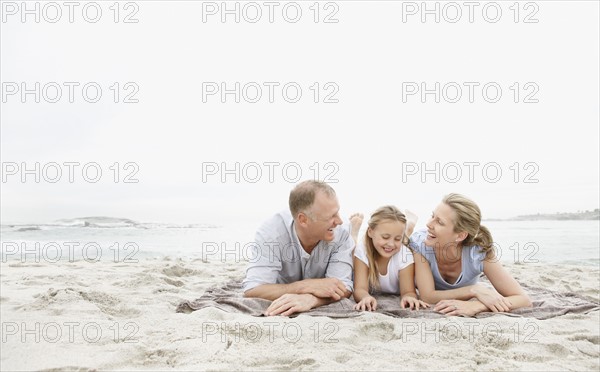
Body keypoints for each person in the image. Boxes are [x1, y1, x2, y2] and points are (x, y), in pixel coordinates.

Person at [242, 180, 355, 316]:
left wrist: (312, 299)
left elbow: (344, 287)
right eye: (331, 216)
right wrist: (305, 286)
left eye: (337, 212)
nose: (339, 221)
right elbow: (252, 290)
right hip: (283, 285)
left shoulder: (342, 232)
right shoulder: (271, 234)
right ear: (303, 220)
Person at [410, 193, 533, 316]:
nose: (428, 224)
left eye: (440, 222)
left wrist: (478, 306)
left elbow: (523, 299)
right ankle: (407, 229)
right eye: (432, 216)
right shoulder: (421, 244)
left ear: (460, 235)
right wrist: (473, 290)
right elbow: (427, 296)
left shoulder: (478, 253)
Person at [352, 206, 429, 311]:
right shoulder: (363, 249)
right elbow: (360, 289)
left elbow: (408, 291)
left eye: (397, 239)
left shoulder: (404, 255)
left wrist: (409, 298)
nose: (391, 244)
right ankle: (353, 235)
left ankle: (407, 231)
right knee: (352, 251)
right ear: (370, 232)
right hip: (362, 248)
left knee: (404, 244)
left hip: (403, 249)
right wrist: (365, 297)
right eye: (385, 237)